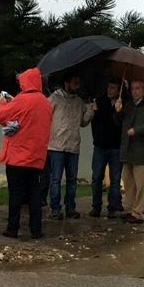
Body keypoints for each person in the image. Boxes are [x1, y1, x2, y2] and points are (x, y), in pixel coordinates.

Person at [0, 68, 53, 239]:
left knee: (16, 193)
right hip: (36, 157)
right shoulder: (45, 102)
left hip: (17, 157)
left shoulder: (22, 100)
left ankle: (12, 227)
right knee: (34, 193)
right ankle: (36, 229)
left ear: (25, 82)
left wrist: (2, 102)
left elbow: (1, 116)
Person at [113, 78, 144, 224]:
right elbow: (118, 121)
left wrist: (137, 130)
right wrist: (117, 110)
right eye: (133, 89)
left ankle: (138, 212)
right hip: (127, 149)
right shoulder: (128, 105)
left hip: (142, 150)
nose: (134, 91)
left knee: (140, 183)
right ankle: (131, 209)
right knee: (129, 182)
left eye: (137, 89)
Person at [46, 72, 94, 219]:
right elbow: (45, 118)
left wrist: (91, 111)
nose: (77, 86)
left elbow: (83, 123)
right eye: (75, 83)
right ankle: (55, 208)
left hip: (73, 146)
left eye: (78, 83)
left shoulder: (78, 102)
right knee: (56, 178)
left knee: (72, 179)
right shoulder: (53, 99)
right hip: (56, 146)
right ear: (66, 83)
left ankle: (70, 207)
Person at [89, 77, 124, 218]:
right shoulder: (100, 102)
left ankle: (113, 206)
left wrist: (118, 111)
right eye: (109, 87)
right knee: (97, 177)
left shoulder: (123, 103)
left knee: (115, 179)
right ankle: (96, 205)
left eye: (113, 88)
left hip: (116, 146)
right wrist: (97, 138)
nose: (109, 90)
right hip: (100, 145)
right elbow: (94, 123)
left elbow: (121, 123)